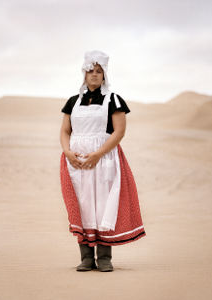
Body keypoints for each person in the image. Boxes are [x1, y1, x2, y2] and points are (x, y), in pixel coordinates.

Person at [59, 50, 146, 272]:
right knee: (83, 204)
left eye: (99, 71)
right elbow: (65, 131)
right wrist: (68, 152)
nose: (94, 75)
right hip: (76, 160)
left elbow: (119, 132)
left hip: (104, 159)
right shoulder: (73, 101)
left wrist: (98, 154)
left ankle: (105, 258)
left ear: (104, 75)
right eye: (91, 71)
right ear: (84, 75)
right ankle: (86, 257)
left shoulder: (113, 100)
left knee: (103, 204)